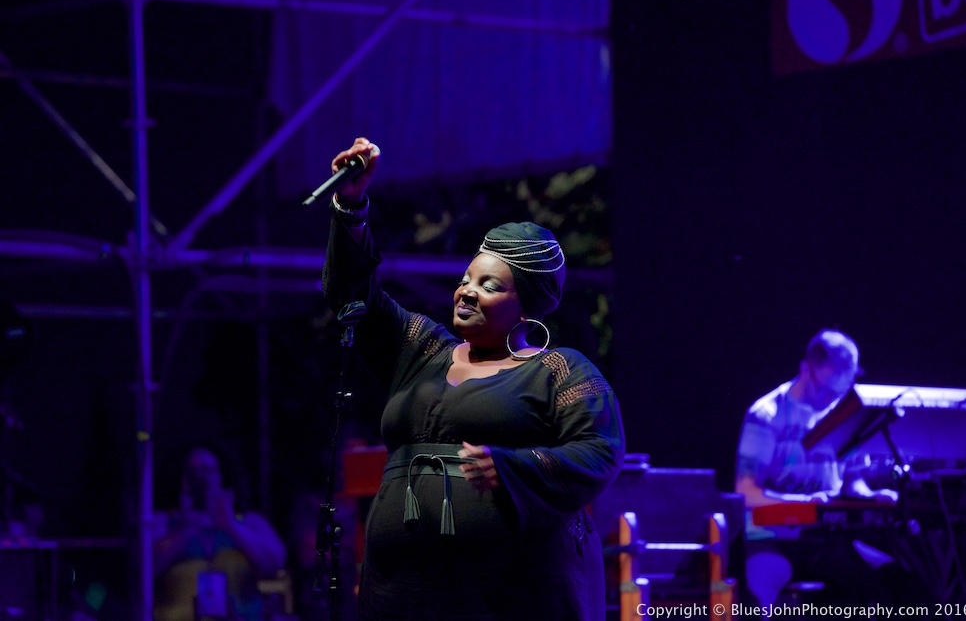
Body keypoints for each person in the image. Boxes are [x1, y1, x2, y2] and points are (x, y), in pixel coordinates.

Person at [320, 137, 625, 620]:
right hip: (403, 587)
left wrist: (510, 466)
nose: (467, 292)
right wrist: (352, 205)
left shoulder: (557, 370)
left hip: (511, 590)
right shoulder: (422, 349)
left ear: (525, 306)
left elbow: (599, 451)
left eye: (490, 285)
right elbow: (354, 295)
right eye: (466, 279)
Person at [735, 329, 901, 610]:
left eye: (840, 392)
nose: (831, 400)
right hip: (773, 539)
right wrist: (805, 504)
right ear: (805, 369)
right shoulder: (766, 415)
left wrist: (870, 495)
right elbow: (746, 492)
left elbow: (852, 480)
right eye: (825, 390)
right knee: (759, 598)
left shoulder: (843, 414)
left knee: (889, 585)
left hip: (825, 541)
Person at [152, 445, 287, 621]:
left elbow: (275, 563)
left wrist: (230, 525)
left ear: (222, 475)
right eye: (193, 471)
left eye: (208, 470)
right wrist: (186, 528)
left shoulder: (249, 522)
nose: (201, 477)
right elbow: (145, 567)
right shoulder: (162, 522)